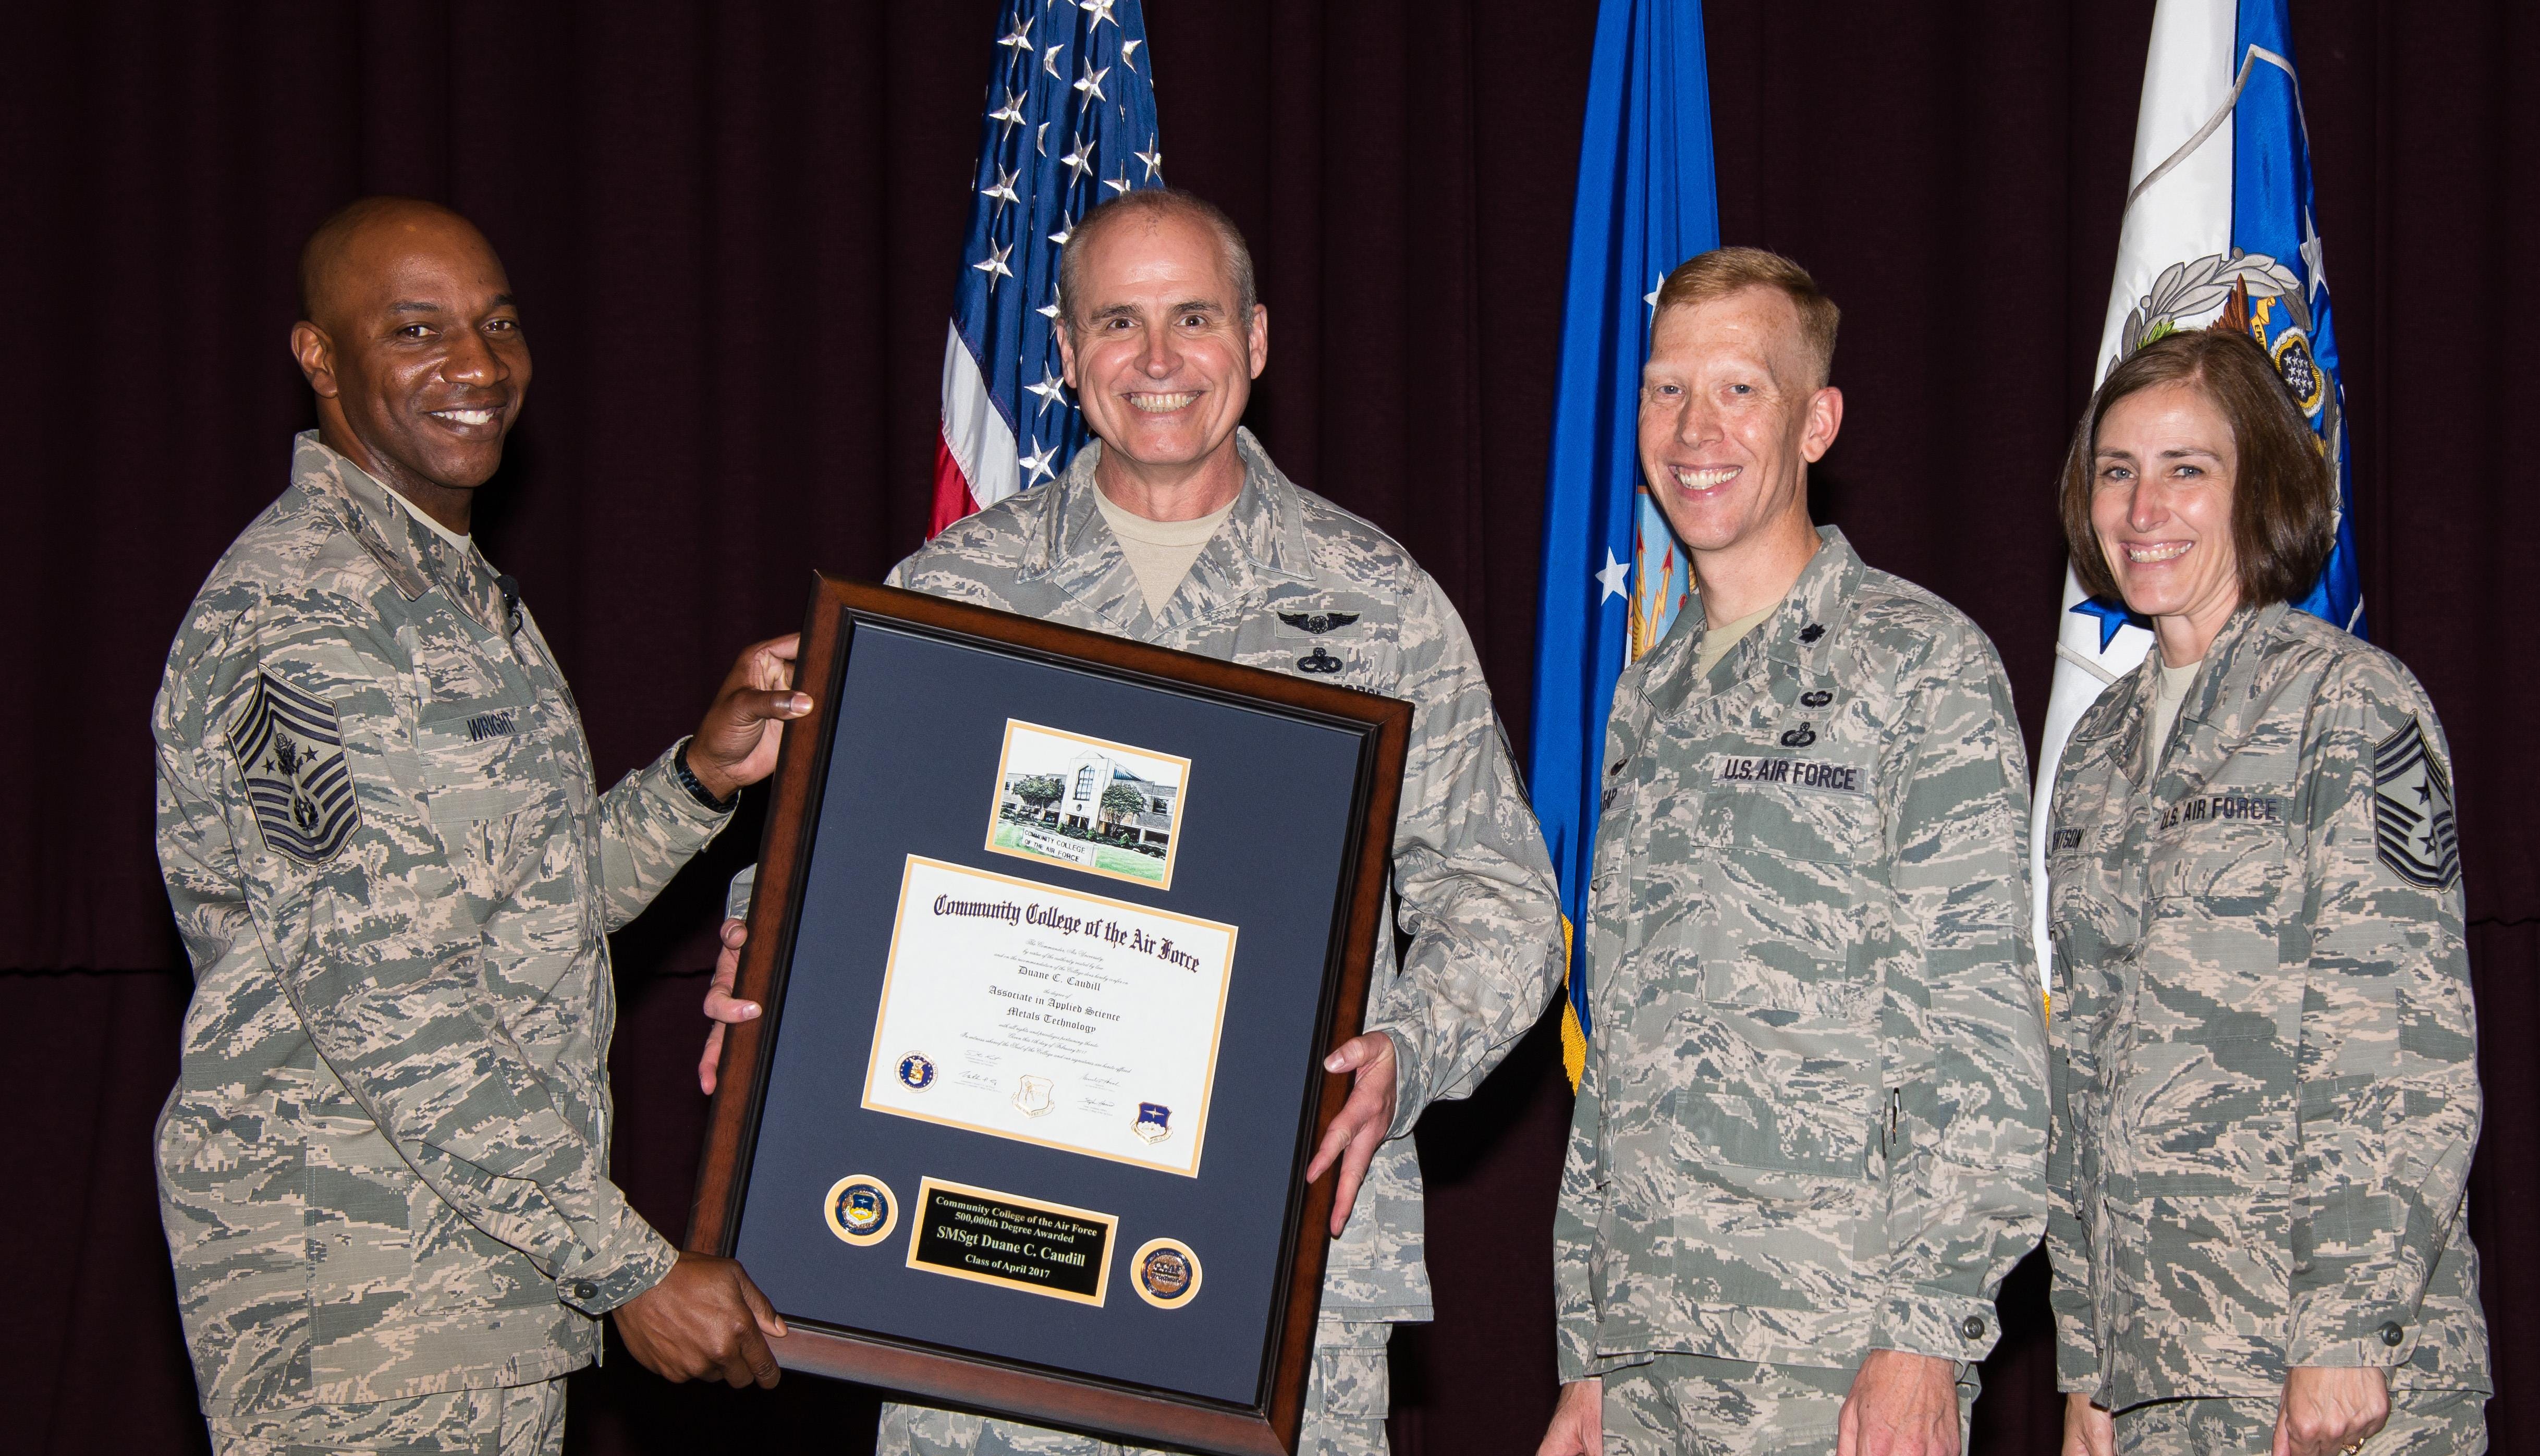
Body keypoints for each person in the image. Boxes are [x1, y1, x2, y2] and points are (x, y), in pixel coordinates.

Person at [698, 186, 1565, 1456]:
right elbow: (827, 849)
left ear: (1257, 341)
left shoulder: (1379, 603)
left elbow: (1506, 904)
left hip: (1274, 1280)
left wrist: (1409, 1047)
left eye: (1194, 318)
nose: (1158, 361)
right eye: (1118, 322)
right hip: (971, 1273)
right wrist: (757, 949)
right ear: (1065, 351)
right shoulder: (951, 596)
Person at [153, 197, 807, 1456]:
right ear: (321, 358)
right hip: (357, 1299)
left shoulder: (441, 592)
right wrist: (628, 1265)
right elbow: (386, 990)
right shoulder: (304, 615)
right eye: (417, 329)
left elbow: (521, 911)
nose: (476, 365)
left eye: (497, 323)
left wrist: (697, 780)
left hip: (465, 1281)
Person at [1541, 247, 2049, 1456]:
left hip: (1831, 1361)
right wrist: (1590, 1355)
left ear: (1817, 421)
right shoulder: (1649, 694)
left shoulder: (1918, 663)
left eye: (1740, 389)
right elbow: (1621, 1050)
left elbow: (1983, 1030)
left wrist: (1926, 1333)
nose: (1694, 427)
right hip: (1650, 1360)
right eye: (1667, 388)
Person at [2045, 327, 2488, 1455]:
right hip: (2158, 1372)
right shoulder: (2097, 744)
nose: (2145, 508)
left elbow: (2399, 1036)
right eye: (2117, 469)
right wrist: (2088, 1355)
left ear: (2264, 491)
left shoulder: (2350, 705)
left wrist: (2344, 1331)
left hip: (2327, 1367)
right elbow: (2081, 1063)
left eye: (2187, 468)